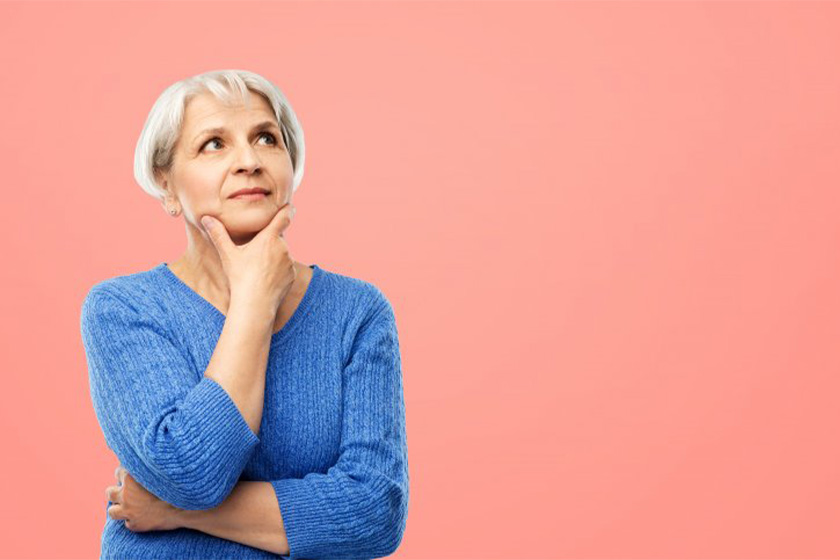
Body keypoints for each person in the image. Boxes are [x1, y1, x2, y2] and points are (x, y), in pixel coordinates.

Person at [79, 69, 409, 559]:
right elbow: (191, 471)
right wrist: (255, 299)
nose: (249, 161)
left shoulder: (357, 313)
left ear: (290, 166)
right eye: (214, 144)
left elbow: (374, 511)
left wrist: (174, 512)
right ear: (167, 184)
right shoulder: (123, 309)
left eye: (266, 138)